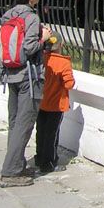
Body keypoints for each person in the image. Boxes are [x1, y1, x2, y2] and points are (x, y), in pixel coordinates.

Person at [0, 0, 51, 187]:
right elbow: (29, 48)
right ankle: (10, 172)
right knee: (25, 123)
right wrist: (43, 37)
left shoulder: (8, 15)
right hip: (29, 77)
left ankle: (16, 165)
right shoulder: (31, 17)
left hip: (11, 74)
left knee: (14, 122)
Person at [34, 34, 75, 173]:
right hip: (56, 105)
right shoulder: (63, 63)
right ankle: (49, 163)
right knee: (52, 135)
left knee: (41, 131)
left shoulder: (42, 59)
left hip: (41, 103)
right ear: (61, 46)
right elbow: (69, 84)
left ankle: (39, 158)